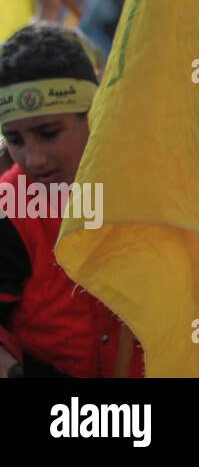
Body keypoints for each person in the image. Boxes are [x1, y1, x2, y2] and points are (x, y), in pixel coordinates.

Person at [0, 23, 144, 377]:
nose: (33, 159)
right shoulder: (9, 208)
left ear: (94, 116)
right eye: (15, 139)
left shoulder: (149, 187)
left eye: (48, 133)